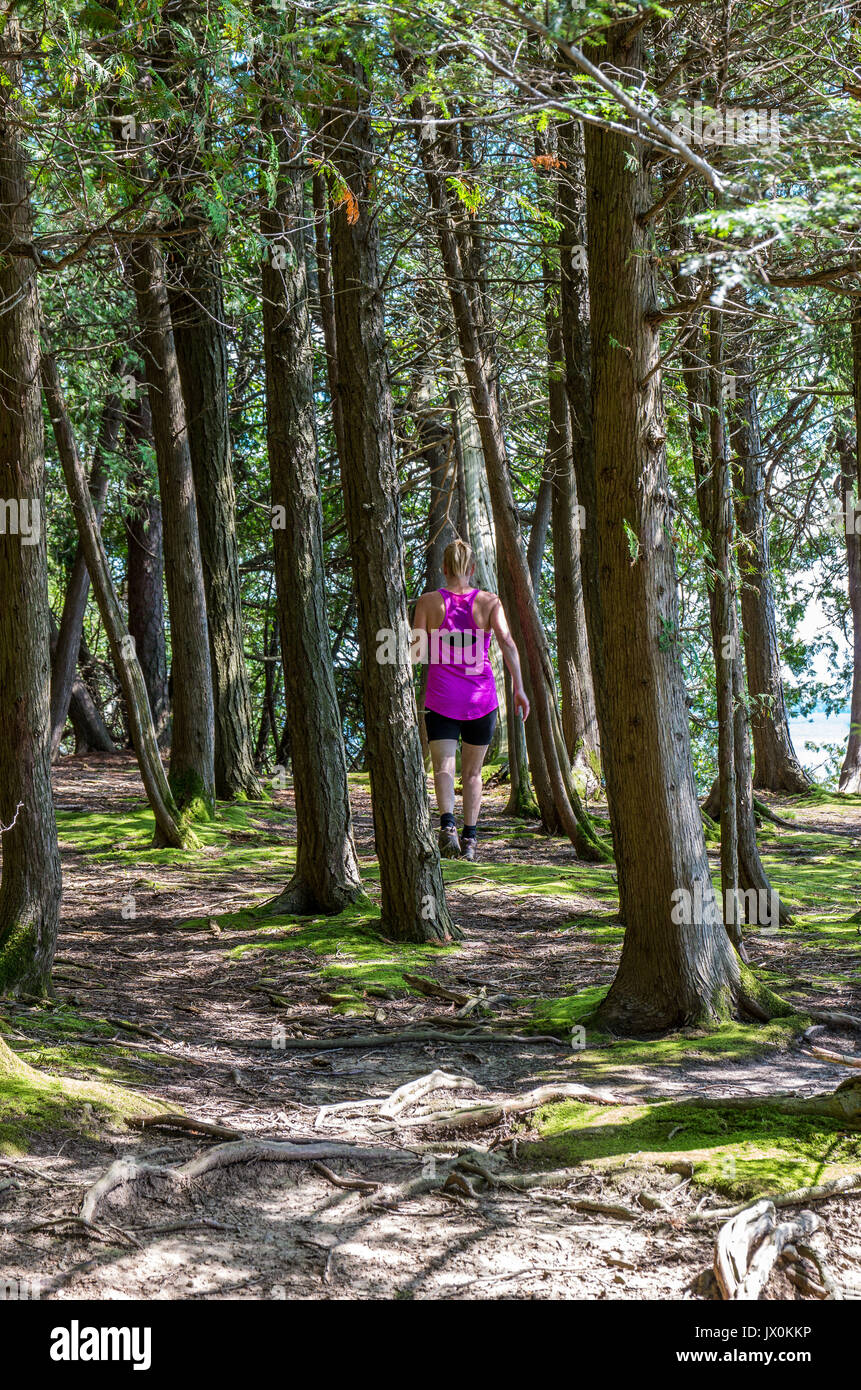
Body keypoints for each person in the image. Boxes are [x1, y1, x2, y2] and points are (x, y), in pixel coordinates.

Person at [413, 539, 529, 862]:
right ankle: (471, 841)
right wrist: (519, 688)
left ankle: (447, 828)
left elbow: (417, 653)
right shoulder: (490, 602)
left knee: (443, 768)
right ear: (473, 569)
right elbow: (507, 643)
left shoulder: (427, 602)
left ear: (445, 568)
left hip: (441, 700)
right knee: (473, 774)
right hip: (481, 703)